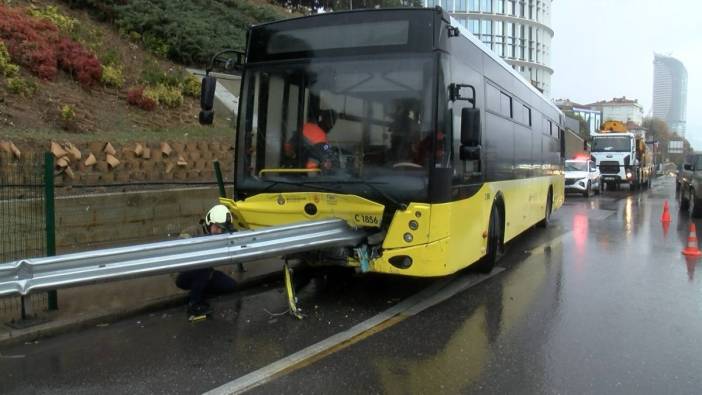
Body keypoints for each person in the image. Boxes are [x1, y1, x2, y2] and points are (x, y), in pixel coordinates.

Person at [175, 204, 238, 319]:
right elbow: (178, 252)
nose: (219, 231)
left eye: (222, 229)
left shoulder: (217, 236)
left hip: (205, 273)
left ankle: (198, 291)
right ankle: (194, 305)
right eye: (217, 227)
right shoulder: (193, 232)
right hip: (183, 274)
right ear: (209, 222)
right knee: (203, 267)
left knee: (230, 286)